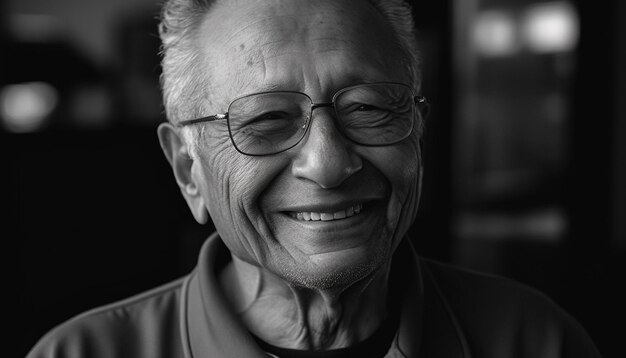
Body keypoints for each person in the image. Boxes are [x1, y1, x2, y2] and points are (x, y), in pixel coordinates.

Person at [27, 0, 602, 357]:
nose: (328, 165)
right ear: (188, 169)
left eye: (371, 108)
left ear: (417, 129)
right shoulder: (81, 353)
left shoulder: (537, 340)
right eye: (267, 120)